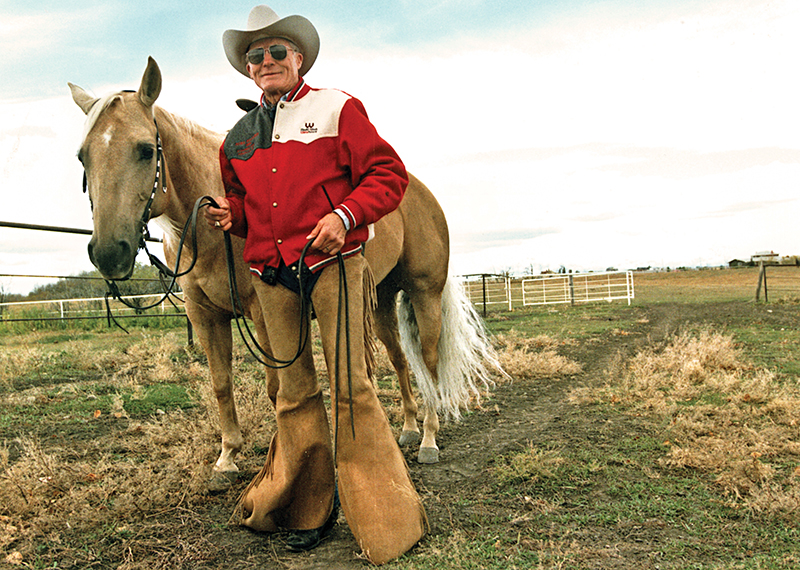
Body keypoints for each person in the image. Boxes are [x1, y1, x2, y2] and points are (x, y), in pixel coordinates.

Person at [205, 5, 426, 565]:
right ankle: (309, 507)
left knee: (352, 387)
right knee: (293, 395)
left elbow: (388, 174)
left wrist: (347, 215)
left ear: (297, 58)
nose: (267, 62)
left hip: (335, 263)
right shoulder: (236, 138)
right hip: (272, 277)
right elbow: (247, 202)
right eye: (256, 56)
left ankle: (381, 512)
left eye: (277, 51)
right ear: (248, 69)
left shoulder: (338, 108)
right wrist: (234, 216)